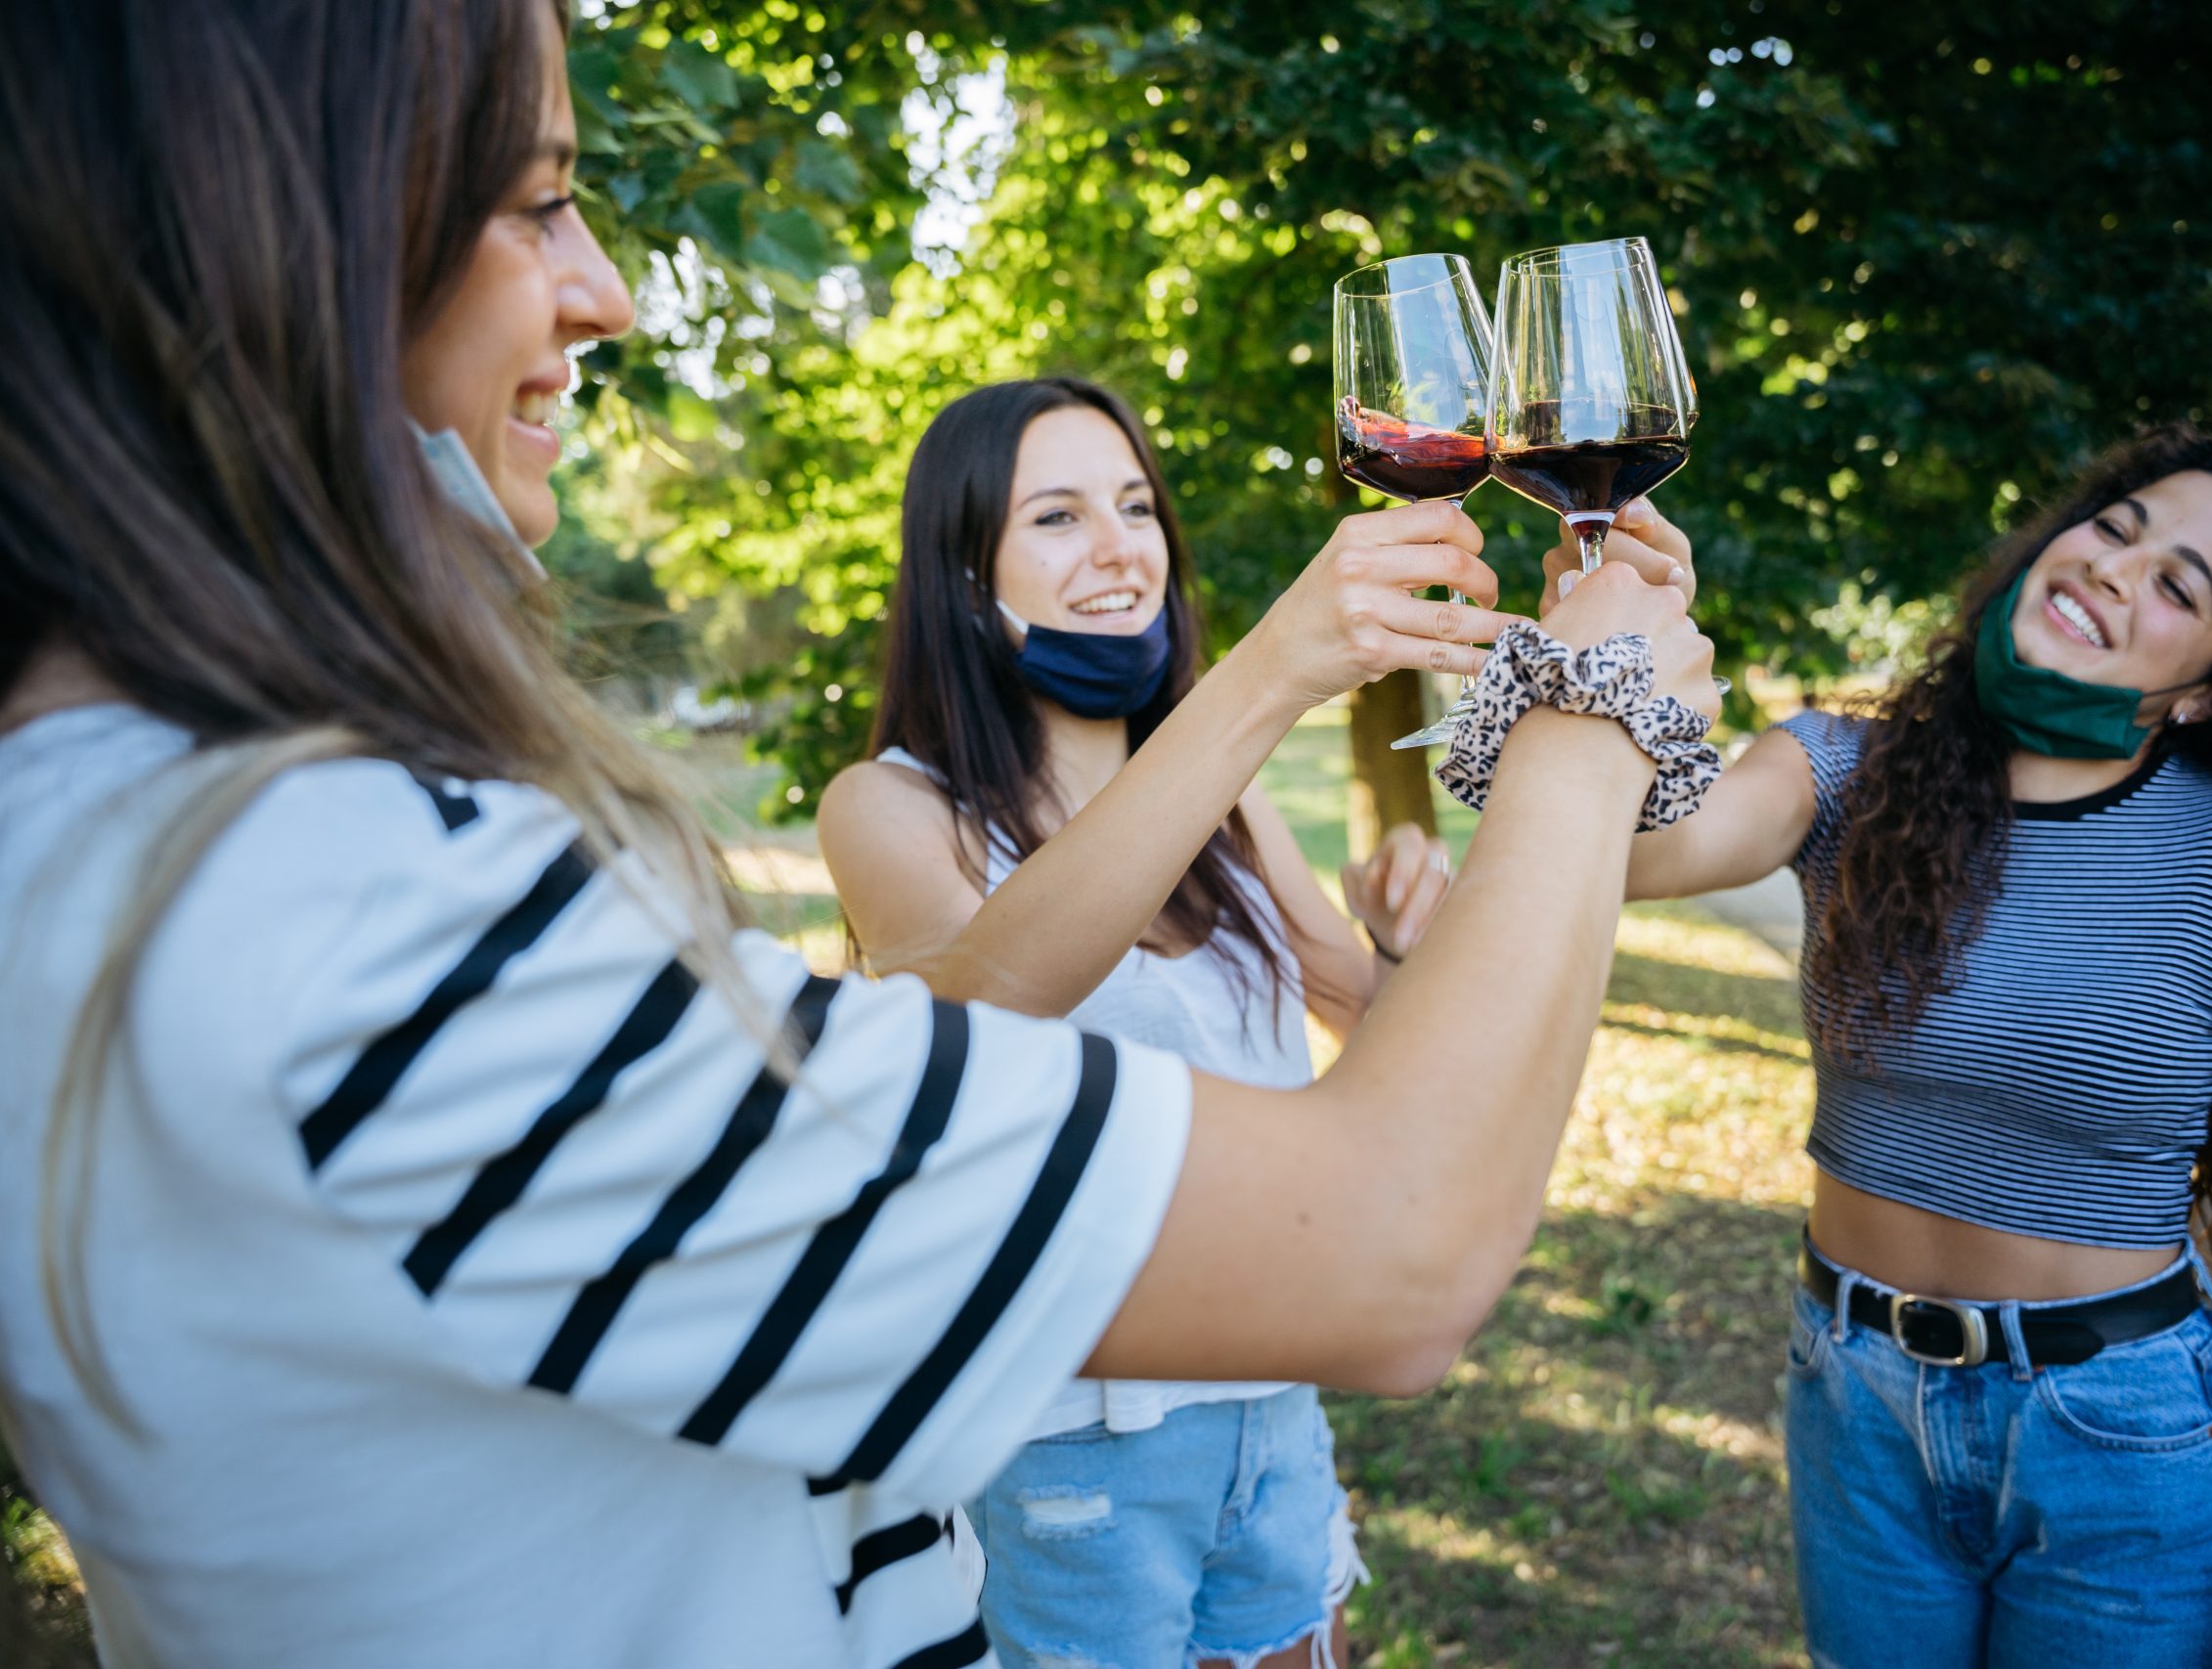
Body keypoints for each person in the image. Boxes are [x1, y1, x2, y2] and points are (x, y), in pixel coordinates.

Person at [0, 3, 1723, 1666]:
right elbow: (1393, 1241)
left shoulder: (160, 842)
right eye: (537, 202)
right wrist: (1588, 715)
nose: (602, 292)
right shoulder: (324, 906)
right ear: (266, 241)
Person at [1545, 437, 2212, 1669]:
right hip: (1854, 1404)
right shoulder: (1844, 769)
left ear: (2207, 690)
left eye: (2179, 587)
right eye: (2115, 528)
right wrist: (1613, 648)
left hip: (2118, 1436)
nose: (2119, 571)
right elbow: (1637, 851)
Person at [817, 377, 1475, 1669]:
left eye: (1135, 506)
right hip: (1066, 1441)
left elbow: (1386, 1032)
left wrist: (1405, 946)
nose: (1122, 547)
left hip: (1275, 1406)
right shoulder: (890, 807)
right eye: (1056, 516)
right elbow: (991, 1001)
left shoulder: (1228, 803)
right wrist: (1271, 673)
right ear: (963, 577)